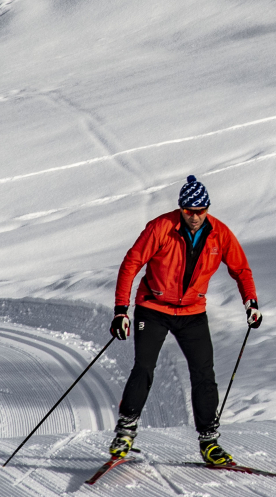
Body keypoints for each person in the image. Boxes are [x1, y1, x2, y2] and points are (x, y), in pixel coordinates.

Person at [108, 175, 261, 465]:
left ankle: (209, 443)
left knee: (204, 374)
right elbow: (131, 263)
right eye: (189, 210)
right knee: (144, 368)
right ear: (180, 208)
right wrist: (120, 310)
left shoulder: (220, 234)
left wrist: (250, 303)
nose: (195, 216)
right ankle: (125, 432)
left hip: (192, 313)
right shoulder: (161, 228)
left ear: (208, 209)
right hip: (153, 307)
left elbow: (241, 269)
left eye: (201, 210)